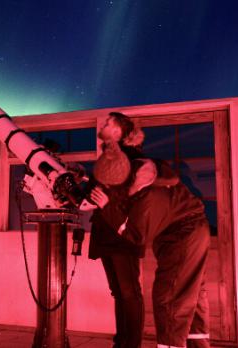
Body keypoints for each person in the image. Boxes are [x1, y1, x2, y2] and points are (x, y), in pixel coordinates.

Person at [88, 112, 211, 348]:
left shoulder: (146, 188)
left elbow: (137, 235)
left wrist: (107, 206)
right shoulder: (138, 173)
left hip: (183, 234)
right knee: (191, 295)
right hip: (186, 230)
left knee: (169, 296)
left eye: (108, 124)